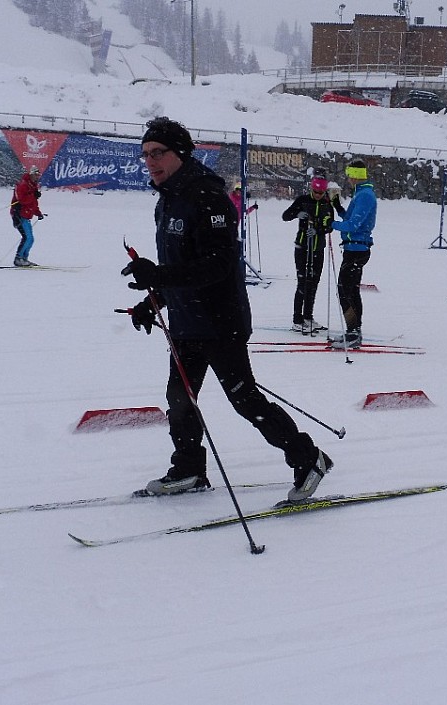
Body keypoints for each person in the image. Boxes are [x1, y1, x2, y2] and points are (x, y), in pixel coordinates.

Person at [122, 116, 332, 502]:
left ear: (181, 154)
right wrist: (150, 302)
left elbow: (217, 265)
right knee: (179, 399)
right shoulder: (167, 199)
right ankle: (188, 468)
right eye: (146, 154)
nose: (150, 161)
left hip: (221, 322)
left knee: (244, 400)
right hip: (186, 324)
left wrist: (161, 274)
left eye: (159, 153)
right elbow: (181, 264)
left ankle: (309, 458)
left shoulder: (209, 197)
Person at [281, 176, 341, 334]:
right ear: (311, 189)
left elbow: (330, 227)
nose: (318, 195)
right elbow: (285, 216)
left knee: (313, 283)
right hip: (302, 247)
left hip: (317, 248)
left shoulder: (327, 204)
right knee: (302, 283)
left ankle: (308, 317)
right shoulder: (302, 200)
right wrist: (297, 213)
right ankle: (297, 320)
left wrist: (318, 230)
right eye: (315, 192)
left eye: (321, 192)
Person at [329, 158, 376, 350]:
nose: (348, 179)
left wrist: (329, 225)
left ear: (355, 176)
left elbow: (353, 225)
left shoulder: (365, 196)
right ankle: (353, 330)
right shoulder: (360, 194)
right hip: (352, 249)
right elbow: (349, 218)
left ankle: (354, 331)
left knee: (346, 290)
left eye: (349, 175)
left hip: (357, 250)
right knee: (350, 290)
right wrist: (338, 207)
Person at [10, 165, 44, 267]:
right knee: (27, 238)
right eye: (36, 175)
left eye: (38, 175)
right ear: (31, 174)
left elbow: (33, 203)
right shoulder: (23, 185)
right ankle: (18, 258)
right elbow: (22, 200)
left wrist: (38, 213)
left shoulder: (33, 186)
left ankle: (24, 258)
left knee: (30, 239)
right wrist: (33, 195)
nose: (37, 177)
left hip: (27, 215)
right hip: (19, 214)